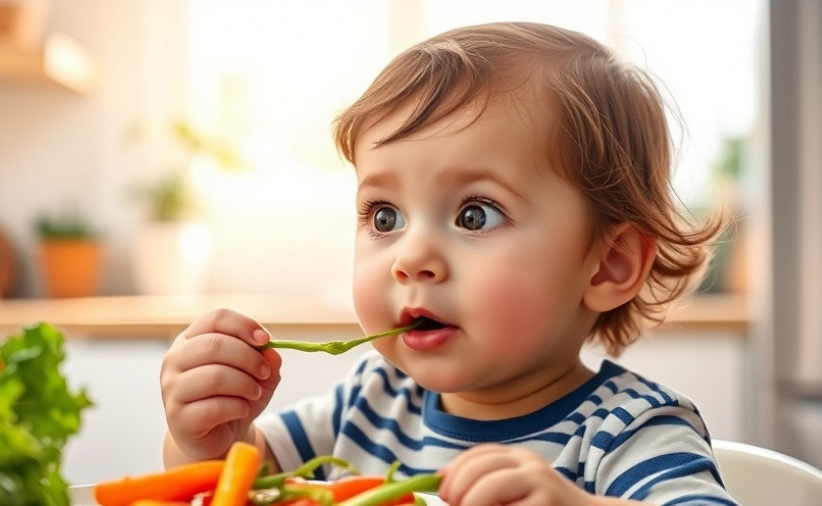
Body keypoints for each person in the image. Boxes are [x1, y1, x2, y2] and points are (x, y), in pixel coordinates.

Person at [160, 22, 736, 505]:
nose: (411, 258)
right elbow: (243, 481)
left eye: (475, 215)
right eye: (384, 217)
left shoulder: (631, 434)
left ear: (608, 265)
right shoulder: (367, 402)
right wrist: (211, 443)